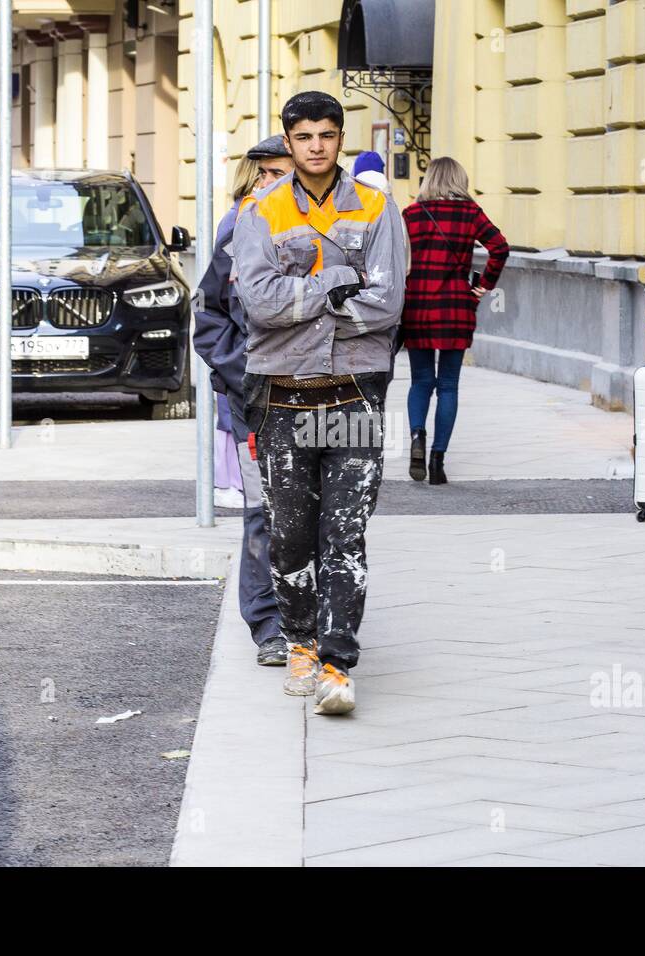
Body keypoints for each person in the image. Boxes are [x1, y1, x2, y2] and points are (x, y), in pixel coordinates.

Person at [232, 91, 407, 715]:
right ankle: (300, 641)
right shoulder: (262, 211)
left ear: (340, 138)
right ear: (288, 139)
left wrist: (301, 303)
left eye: (327, 135)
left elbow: (387, 304)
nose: (315, 146)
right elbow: (257, 301)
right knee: (289, 535)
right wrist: (335, 286)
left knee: (346, 533)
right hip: (282, 397)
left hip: (355, 395)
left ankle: (337, 661)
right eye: (304, 136)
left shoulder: (379, 208)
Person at [193, 134, 294, 665]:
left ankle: (311, 614)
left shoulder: (322, 227)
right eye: (272, 172)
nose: (280, 182)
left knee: (311, 509)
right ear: (256, 176)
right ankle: (268, 625)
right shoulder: (237, 228)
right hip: (252, 397)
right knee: (263, 510)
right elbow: (208, 318)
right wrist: (245, 373)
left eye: (288, 172)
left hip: (315, 393)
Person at [400, 156, 508, 484]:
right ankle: (437, 459)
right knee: (448, 385)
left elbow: (395, 258)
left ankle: (417, 435)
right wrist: (482, 287)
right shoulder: (470, 213)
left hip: (417, 307)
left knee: (420, 381)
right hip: (455, 309)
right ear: (459, 179)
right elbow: (500, 248)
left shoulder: (411, 215)